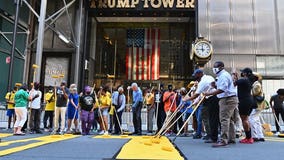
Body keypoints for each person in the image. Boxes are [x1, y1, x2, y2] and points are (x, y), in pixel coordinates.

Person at [204, 61, 238, 147]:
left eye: (216, 67)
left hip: (227, 99)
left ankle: (223, 140)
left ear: (221, 67)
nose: (214, 69)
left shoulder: (223, 76)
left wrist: (209, 94)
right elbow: (223, 87)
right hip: (229, 98)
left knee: (224, 119)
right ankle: (231, 138)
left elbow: (223, 89)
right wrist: (215, 86)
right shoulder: (223, 76)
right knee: (229, 119)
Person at [183, 69, 218, 141]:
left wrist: (186, 99)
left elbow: (196, 95)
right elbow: (199, 96)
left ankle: (212, 136)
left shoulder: (203, 82)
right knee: (206, 118)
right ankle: (209, 134)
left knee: (209, 118)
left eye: (195, 75)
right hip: (208, 99)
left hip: (210, 99)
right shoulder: (209, 77)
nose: (194, 77)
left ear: (199, 74)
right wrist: (193, 102)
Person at [235, 68, 255, 144]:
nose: (242, 73)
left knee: (244, 120)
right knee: (246, 119)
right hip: (248, 100)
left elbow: (234, 83)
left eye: (243, 72)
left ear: (245, 73)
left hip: (244, 101)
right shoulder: (248, 80)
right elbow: (238, 82)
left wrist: (233, 75)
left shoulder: (244, 80)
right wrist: (236, 76)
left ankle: (248, 138)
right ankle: (249, 137)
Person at [249, 72, 266, 142]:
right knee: (257, 120)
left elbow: (254, 93)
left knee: (251, 119)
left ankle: (255, 136)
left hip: (257, 104)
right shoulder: (256, 84)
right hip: (258, 105)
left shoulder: (256, 85)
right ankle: (260, 136)